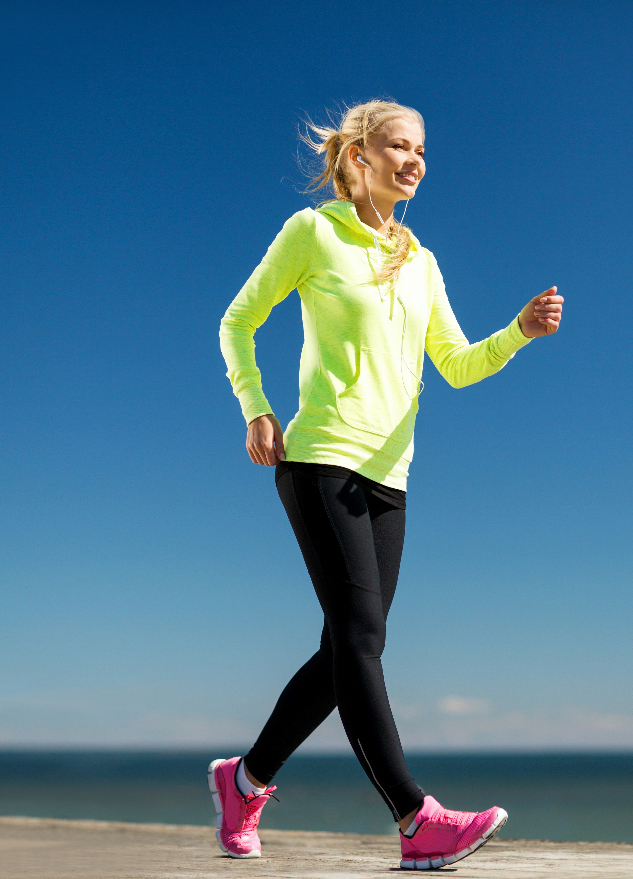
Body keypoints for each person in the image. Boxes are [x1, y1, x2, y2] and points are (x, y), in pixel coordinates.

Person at [212, 100, 563, 870]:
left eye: (423, 149)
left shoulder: (423, 261)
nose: (414, 159)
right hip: (319, 459)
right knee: (363, 640)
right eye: (398, 145)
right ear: (358, 156)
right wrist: (256, 407)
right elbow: (237, 321)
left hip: (389, 475)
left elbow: (459, 366)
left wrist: (518, 333)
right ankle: (415, 818)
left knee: (347, 647)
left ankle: (244, 780)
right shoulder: (313, 233)